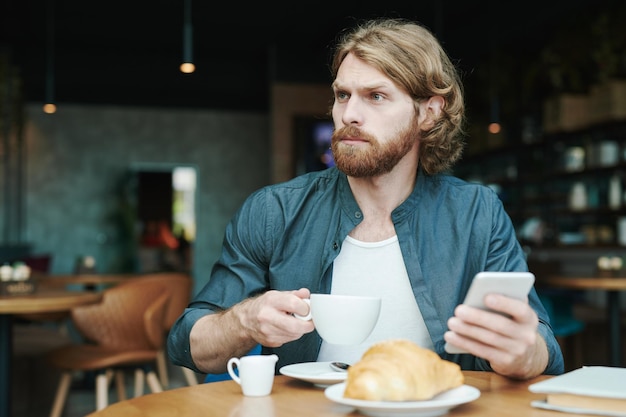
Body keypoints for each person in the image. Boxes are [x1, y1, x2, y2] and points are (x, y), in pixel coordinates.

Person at [168, 17, 564, 380]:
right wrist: (244, 321)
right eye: (343, 95)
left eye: (375, 96)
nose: (349, 114)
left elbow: (544, 346)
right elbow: (188, 343)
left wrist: (522, 354)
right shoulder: (274, 211)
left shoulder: (476, 213)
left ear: (428, 112)